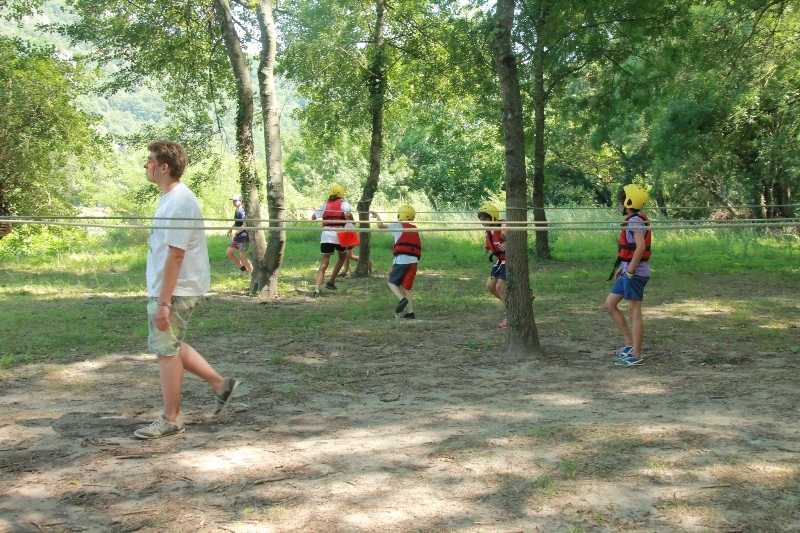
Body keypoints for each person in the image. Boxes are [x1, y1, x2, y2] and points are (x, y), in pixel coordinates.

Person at [134, 140, 241, 439]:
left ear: (164, 166)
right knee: (170, 345)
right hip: (171, 287)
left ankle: (172, 417)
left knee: (165, 350)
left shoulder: (180, 201)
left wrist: (164, 303)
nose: (147, 165)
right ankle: (221, 385)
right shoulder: (169, 198)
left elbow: (176, 254)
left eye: (150, 160)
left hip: (176, 289)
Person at [603, 184, 652, 367]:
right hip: (628, 271)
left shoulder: (634, 221)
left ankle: (637, 354)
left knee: (634, 312)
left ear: (628, 202)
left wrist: (630, 270)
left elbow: (639, 248)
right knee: (609, 304)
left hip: (636, 274)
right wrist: (623, 268)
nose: (619, 205)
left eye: (620, 202)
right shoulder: (633, 220)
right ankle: (630, 344)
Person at [371, 206, 420, 319]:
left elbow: (380, 226)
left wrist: (377, 216)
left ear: (400, 215)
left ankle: (401, 299)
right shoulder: (414, 228)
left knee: (391, 282)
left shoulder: (397, 225)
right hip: (413, 261)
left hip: (401, 260)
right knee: (406, 288)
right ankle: (410, 313)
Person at [310, 183, 353, 297]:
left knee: (324, 262)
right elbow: (348, 215)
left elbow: (313, 217)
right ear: (342, 194)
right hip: (339, 234)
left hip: (326, 234)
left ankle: (317, 288)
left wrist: (320, 212)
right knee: (342, 257)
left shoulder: (326, 205)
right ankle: (331, 281)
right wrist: (353, 221)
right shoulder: (344, 204)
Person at [478, 204, 508, 328]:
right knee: (490, 286)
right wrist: (487, 247)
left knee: (500, 287)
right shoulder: (489, 231)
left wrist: (508, 243)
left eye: (485, 219)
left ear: (493, 217)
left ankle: (510, 314)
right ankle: (511, 306)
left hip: (509, 261)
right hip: (499, 262)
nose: (482, 222)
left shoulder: (503, 227)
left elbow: (517, 236)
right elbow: (494, 243)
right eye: (481, 219)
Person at [226, 194, 253, 275]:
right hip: (237, 237)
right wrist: (231, 228)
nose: (233, 202)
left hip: (243, 237)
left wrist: (236, 233)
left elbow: (245, 225)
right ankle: (243, 268)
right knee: (229, 253)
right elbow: (237, 222)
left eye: (235, 200)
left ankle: (252, 272)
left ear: (241, 201)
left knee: (243, 257)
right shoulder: (237, 211)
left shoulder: (242, 212)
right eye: (233, 201)